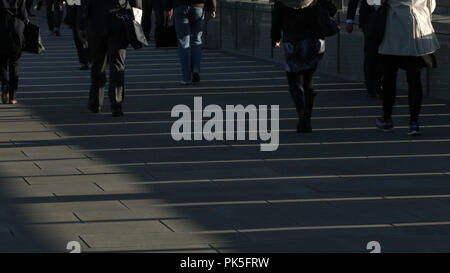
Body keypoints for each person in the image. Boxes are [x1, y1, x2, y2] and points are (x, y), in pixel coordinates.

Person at [376, 0, 439, 136]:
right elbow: (431, 6)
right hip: (418, 30)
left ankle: (387, 119)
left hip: (392, 31)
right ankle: (414, 123)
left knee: (389, 77)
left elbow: (374, 2)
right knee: (415, 80)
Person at [272, 0, 336, 133]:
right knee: (309, 79)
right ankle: (307, 117)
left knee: (294, 80)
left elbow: (277, 18)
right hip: (314, 40)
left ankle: (302, 112)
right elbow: (332, 9)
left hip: (292, 40)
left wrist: (275, 38)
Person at [81, 0, 142, 117]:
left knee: (98, 63)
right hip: (119, 18)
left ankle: (95, 102)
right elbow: (137, 2)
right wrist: (137, 23)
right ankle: (116, 104)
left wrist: (80, 24)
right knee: (117, 64)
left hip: (95, 19)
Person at [165, 0, 216, 84]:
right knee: (196, 39)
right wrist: (212, 8)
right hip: (198, 6)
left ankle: (186, 78)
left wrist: (168, 7)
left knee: (183, 42)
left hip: (180, 6)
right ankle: (195, 70)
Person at [345, 0, 382, 98]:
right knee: (371, 53)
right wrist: (349, 20)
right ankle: (371, 86)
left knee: (383, 54)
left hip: (386, 19)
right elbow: (353, 2)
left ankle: (379, 84)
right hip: (369, 20)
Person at [0, 0, 29, 104]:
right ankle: (13, 96)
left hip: (2, 32)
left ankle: (4, 85)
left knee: (2, 64)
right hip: (16, 33)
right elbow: (25, 17)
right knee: (14, 65)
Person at [65, 0, 89, 70]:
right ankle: (86, 60)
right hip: (80, 14)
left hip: (79, 14)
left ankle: (84, 61)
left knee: (79, 39)